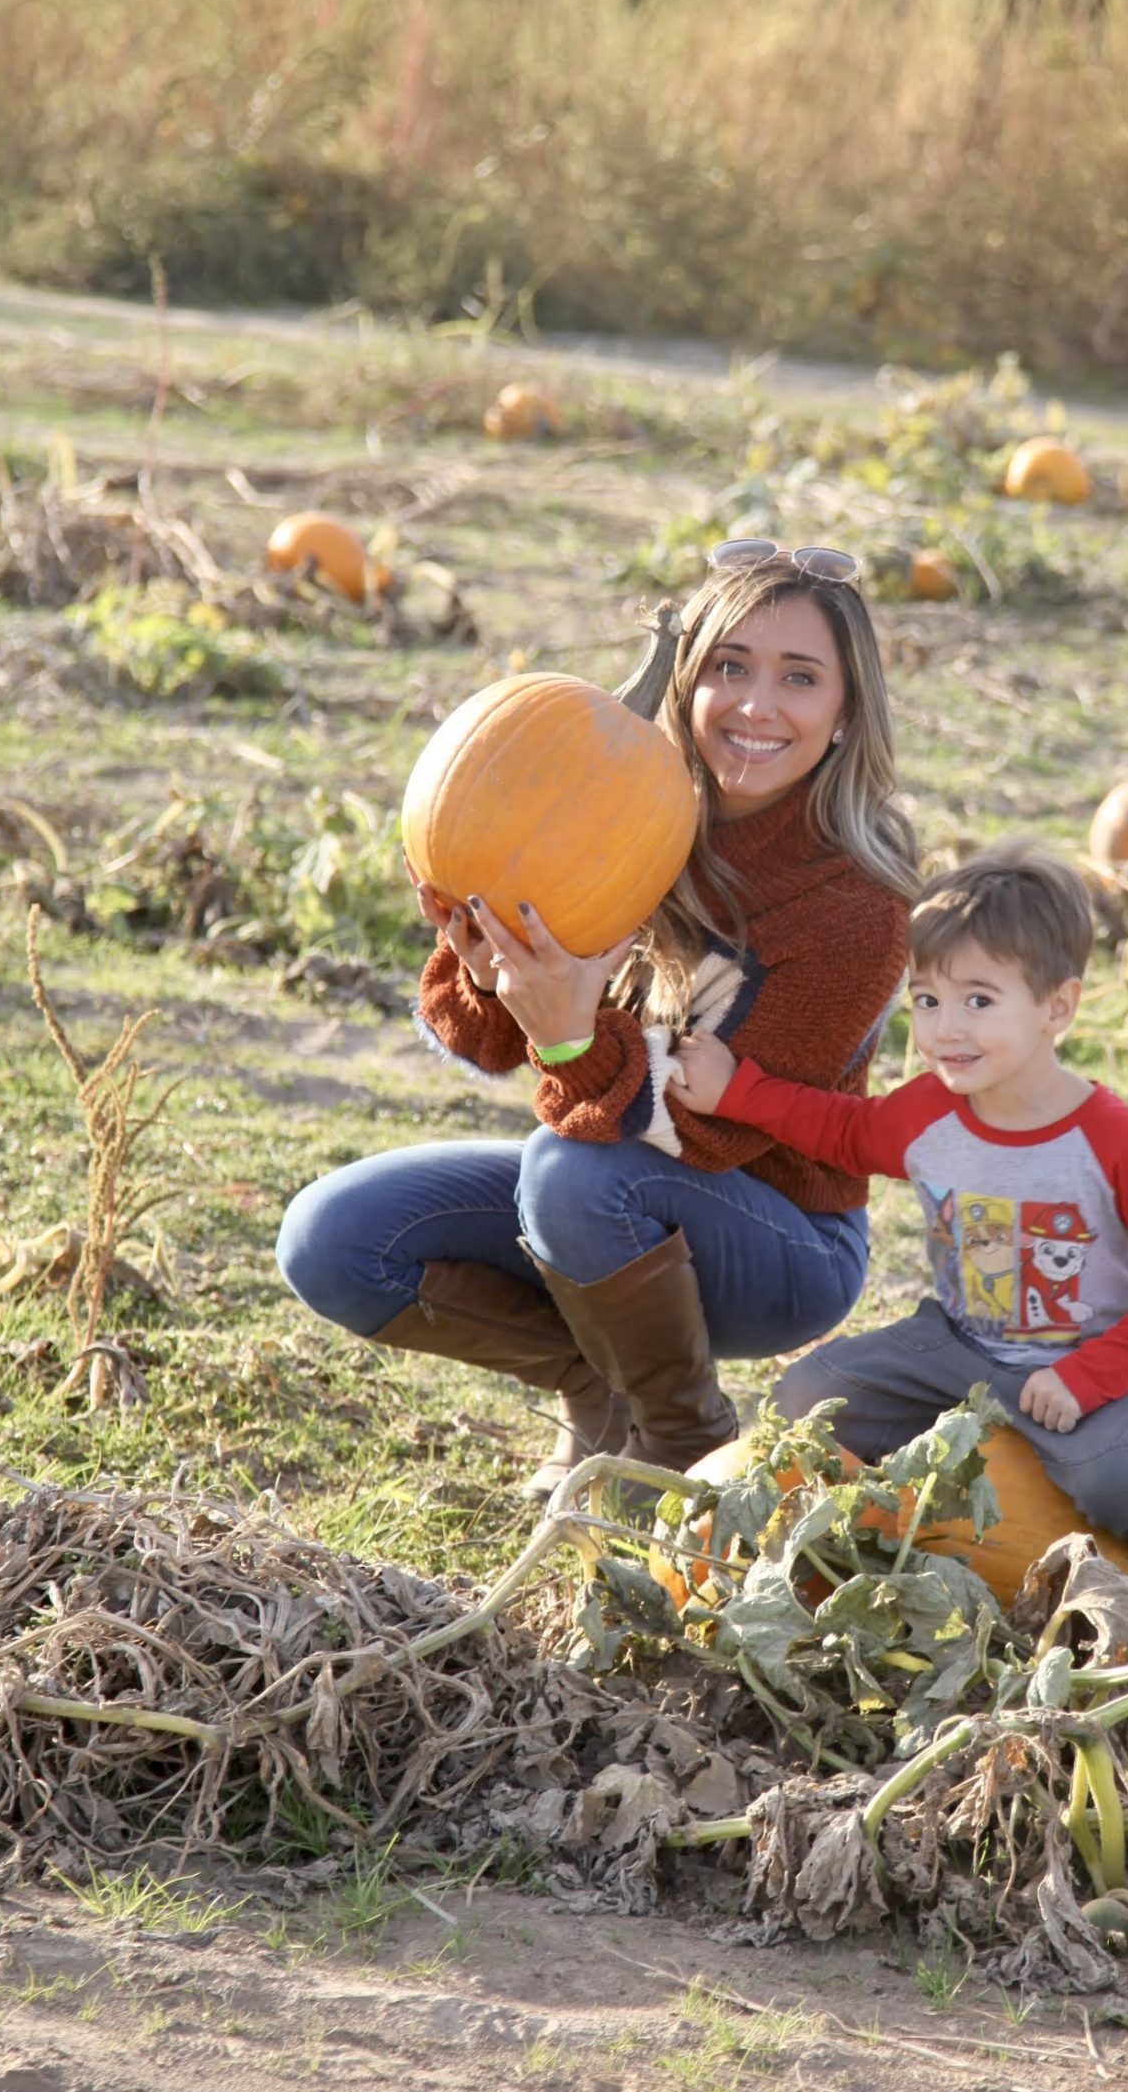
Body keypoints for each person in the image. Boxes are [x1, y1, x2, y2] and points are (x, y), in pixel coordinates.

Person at [275, 543, 916, 1499]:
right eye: (728, 668)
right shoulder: (616, 815)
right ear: (688, 684)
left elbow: (711, 1126)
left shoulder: (858, 904)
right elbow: (484, 1042)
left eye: (798, 677)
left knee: (570, 1171)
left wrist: (574, 1038)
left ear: (843, 714)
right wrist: (485, 960)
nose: (754, 704)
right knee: (333, 1238)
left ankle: (680, 1443)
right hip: (601, 1188)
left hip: (781, 1237)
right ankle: (597, 1383)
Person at [670, 841, 1128, 1567]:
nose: (946, 1028)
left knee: (1115, 1479)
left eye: (979, 999)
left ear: (1056, 1007)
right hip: (959, 1348)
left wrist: (1087, 1378)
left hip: (1084, 1365)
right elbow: (845, 1132)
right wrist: (736, 1093)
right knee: (810, 1397)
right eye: (928, 1000)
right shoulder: (929, 1112)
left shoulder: (1112, 1141)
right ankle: (880, 1539)